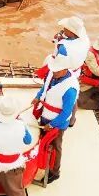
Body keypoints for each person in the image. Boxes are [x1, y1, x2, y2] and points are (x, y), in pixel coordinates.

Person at [33, 54, 79, 183]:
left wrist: (53, 124)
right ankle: (42, 163)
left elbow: (66, 113)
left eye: (57, 71)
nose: (53, 73)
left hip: (57, 123)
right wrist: (38, 97)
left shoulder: (70, 89)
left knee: (56, 146)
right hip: (46, 115)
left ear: (65, 69)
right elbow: (45, 87)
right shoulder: (52, 74)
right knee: (42, 141)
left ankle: (55, 171)